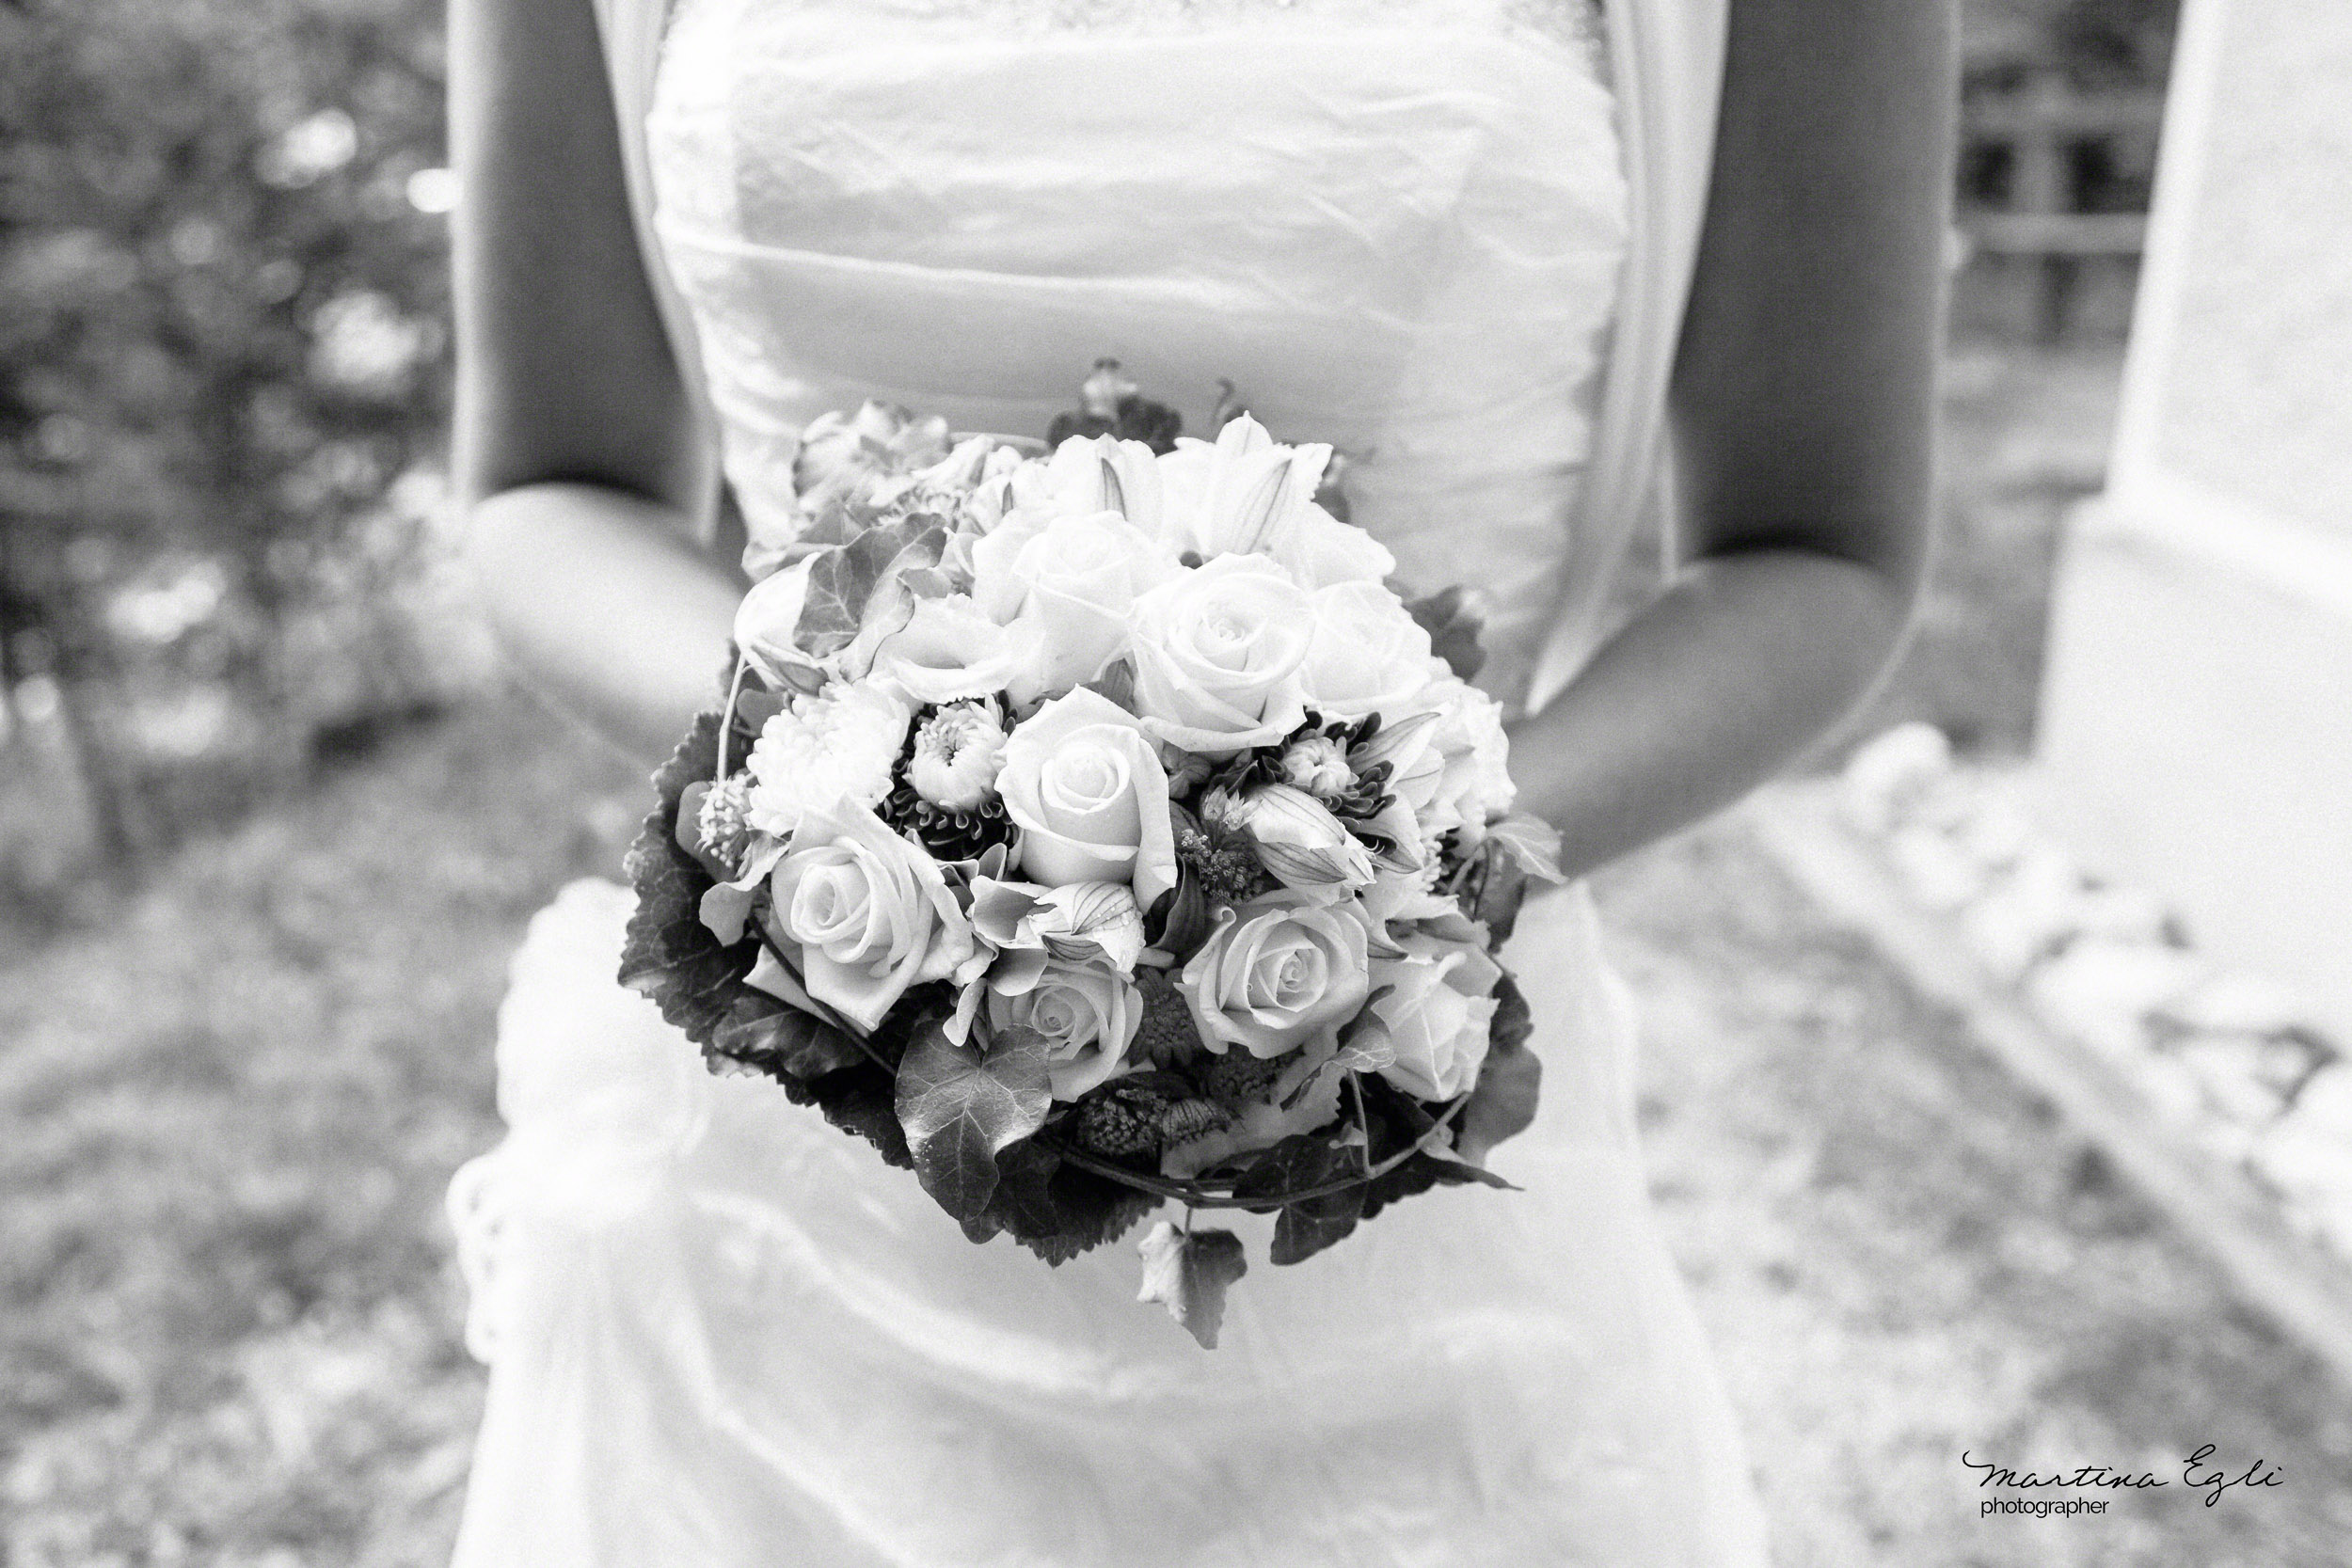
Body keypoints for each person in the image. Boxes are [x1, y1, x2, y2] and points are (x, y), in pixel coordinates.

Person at [441, 0, 1948, 1560]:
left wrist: (1396, 877)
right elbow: (556, 486)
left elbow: (1814, 548)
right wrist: (855, 806)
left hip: (1377, 1114)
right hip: (805, 1116)